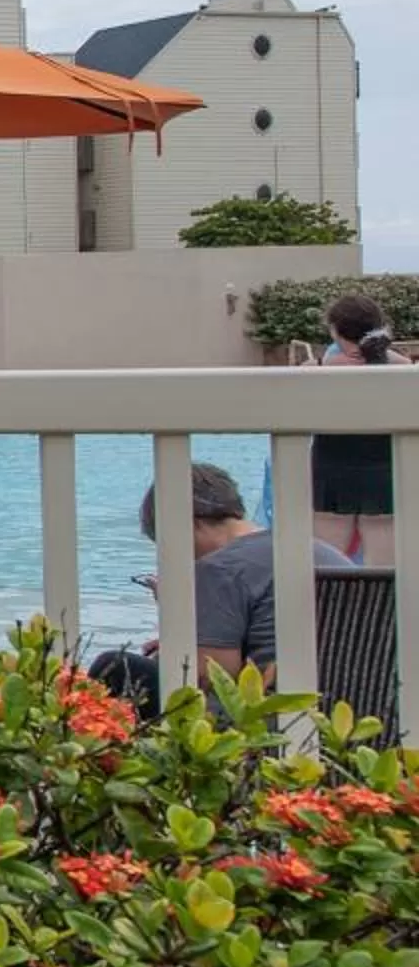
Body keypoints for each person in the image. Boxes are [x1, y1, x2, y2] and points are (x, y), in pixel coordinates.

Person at [87, 463, 352, 706]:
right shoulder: (317, 551)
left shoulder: (219, 569)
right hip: (343, 711)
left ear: (187, 525)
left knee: (114, 668)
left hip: (268, 720)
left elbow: (209, 680)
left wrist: (176, 615)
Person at [309, 293, 405, 567]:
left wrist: (319, 366)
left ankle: (327, 611)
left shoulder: (320, 369)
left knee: (324, 565)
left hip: (332, 467)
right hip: (384, 468)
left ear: (336, 330)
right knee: (385, 569)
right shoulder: (399, 367)